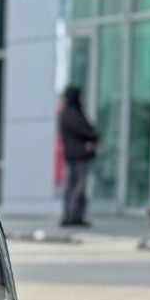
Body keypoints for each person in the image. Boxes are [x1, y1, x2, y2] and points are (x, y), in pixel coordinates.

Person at [58, 86, 100, 228]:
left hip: (73, 154)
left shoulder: (68, 112)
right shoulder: (72, 113)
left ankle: (72, 215)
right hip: (78, 155)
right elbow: (84, 129)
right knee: (78, 186)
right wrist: (94, 137)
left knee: (73, 185)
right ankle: (73, 215)